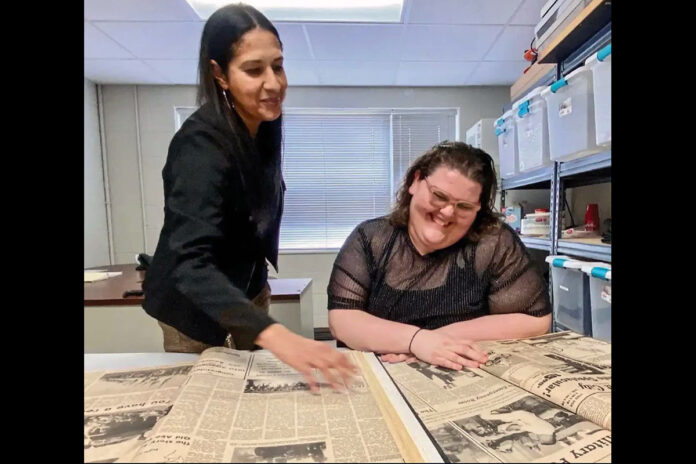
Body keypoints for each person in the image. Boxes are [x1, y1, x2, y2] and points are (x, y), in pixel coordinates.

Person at [142, 3, 355, 392]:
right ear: (219, 74)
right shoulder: (199, 146)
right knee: (207, 397)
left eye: (278, 65)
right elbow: (189, 264)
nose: (274, 83)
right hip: (191, 304)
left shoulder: (263, 123)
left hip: (247, 287)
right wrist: (278, 335)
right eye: (254, 70)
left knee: (254, 385)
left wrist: (258, 303)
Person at [327, 141, 551, 370]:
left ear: (478, 210)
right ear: (415, 182)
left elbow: (536, 320)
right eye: (439, 196)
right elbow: (342, 320)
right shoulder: (371, 238)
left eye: (464, 206)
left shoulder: (493, 242)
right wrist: (417, 341)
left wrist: (439, 340)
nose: (447, 213)